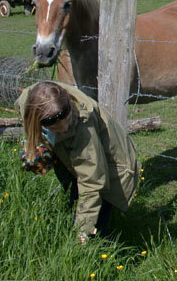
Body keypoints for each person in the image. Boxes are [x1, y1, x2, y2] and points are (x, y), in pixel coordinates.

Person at [15, 81, 141, 243]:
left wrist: (84, 230)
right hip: (81, 163)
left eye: (67, 123)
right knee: (75, 200)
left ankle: (97, 251)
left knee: (97, 226)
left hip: (113, 166)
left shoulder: (83, 128)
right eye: (57, 129)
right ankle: (79, 229)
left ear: (68, 105)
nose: (65, 129)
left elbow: (92, 181)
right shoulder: (31, 100)